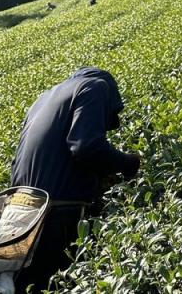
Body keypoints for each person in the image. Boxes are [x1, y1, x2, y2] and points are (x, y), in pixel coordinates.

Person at [11, 68, 141, 292]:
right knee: (62, 283)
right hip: (55, 211)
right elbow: (86, 147)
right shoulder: (95, 87)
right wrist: (129, 163)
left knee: (28, 284)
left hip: (18, 207)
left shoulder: (43, 99)